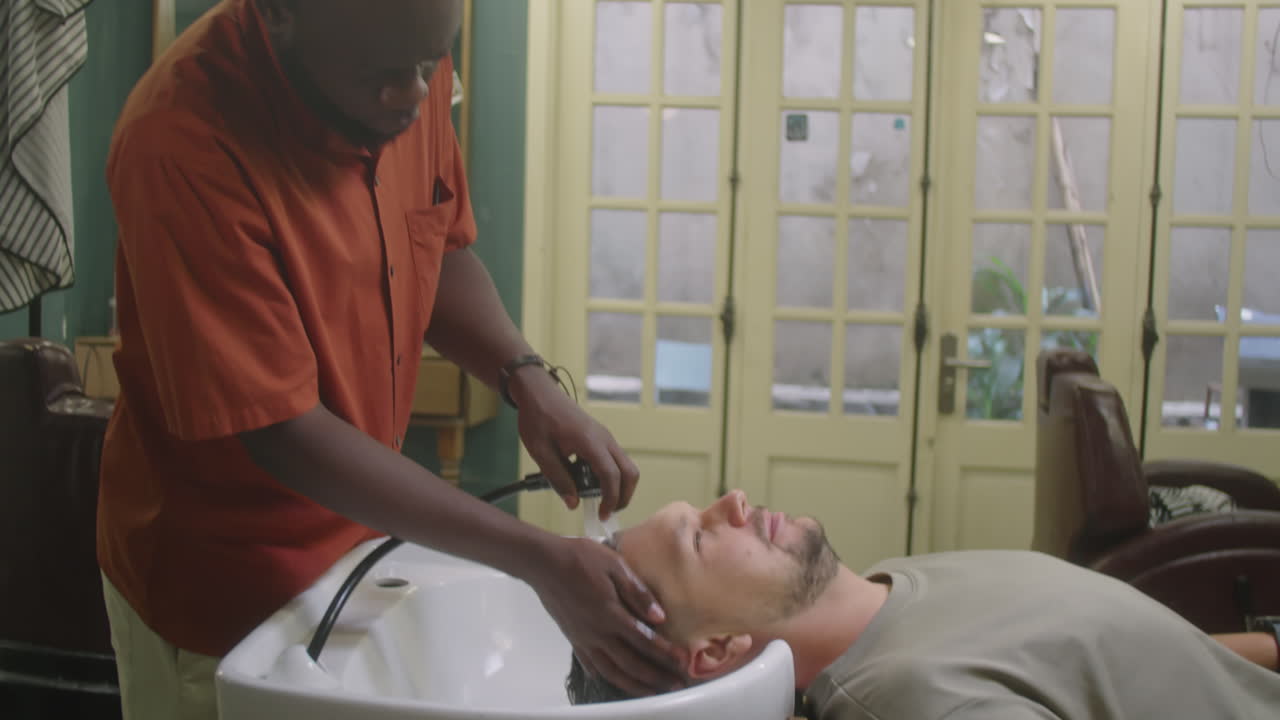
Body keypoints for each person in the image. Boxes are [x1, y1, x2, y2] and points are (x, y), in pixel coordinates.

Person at [97, 1, 683, 718]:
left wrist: (528, 382)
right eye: (383, 74)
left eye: (431, 61)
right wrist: (538, 559)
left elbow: (433, 245)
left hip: (360, 546)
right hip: (223, 579)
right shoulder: (179, 145)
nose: (412, 94)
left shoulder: (404, 60)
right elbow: (282, 432)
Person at [566, 490, 1280, 718]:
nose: (735, 502)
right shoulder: (914, 699)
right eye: (700, 537)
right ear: (716, 648)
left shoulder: (890, 584)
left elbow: (1128, 668)